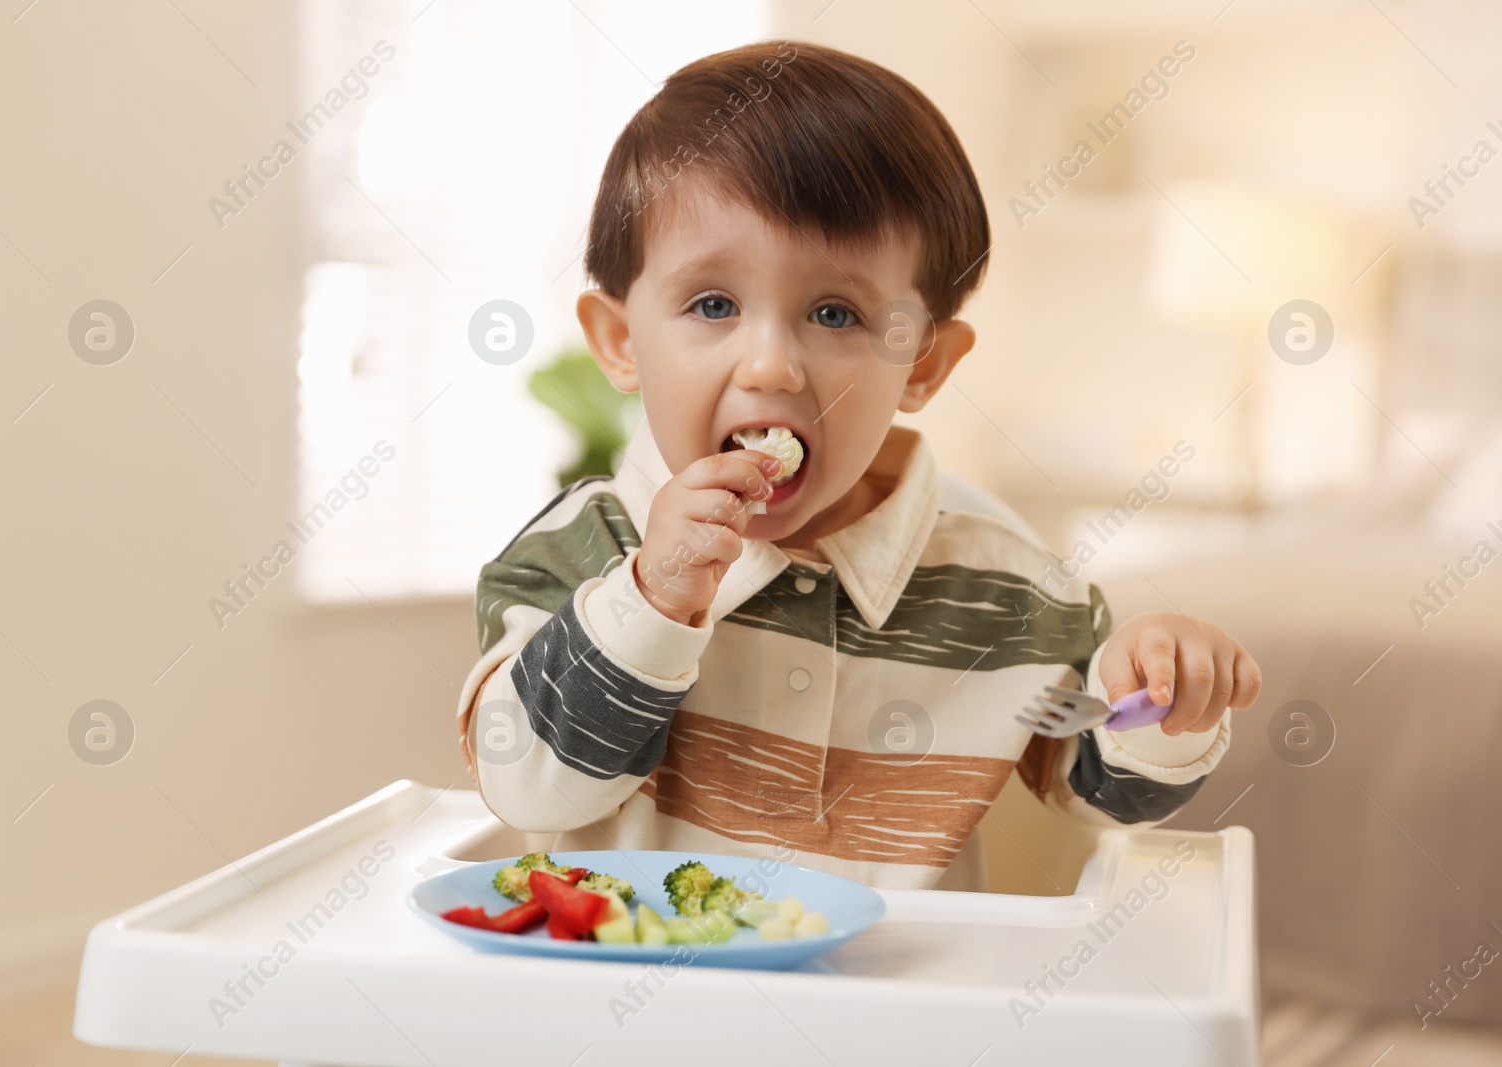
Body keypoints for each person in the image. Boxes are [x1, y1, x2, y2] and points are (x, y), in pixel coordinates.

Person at [454, 40, 1261, 891]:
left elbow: (1103, 791)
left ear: (923, 366)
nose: (770, 365)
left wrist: (1161, 696)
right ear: (622, 342)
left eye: (836, 313)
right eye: (713, 304)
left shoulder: (1012, 589)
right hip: (634, 1009)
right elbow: (526, 784)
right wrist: (652, 597)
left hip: (902, 1016)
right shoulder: (585, 546)